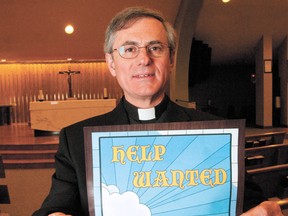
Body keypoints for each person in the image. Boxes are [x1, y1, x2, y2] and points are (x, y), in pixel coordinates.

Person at [33, 7, 283, 216]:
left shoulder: (215, 133)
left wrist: (264, 210)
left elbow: (249, 202)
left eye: (155, 48)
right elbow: (55, 206)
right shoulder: (76, 138)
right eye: (129, 49)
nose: (144, 59)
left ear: (171, 59)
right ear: (111, 63)